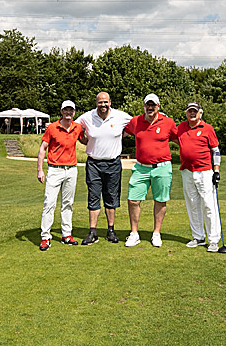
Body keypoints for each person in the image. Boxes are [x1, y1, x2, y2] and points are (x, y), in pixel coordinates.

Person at [76, 92, 132, 245]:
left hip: (113, 163)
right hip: (94, 164)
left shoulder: (120, 116)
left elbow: (136, 124)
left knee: (111, 197)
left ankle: (111, 230)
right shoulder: (87, 117)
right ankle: (92, 231)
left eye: (105, 102)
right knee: (93, 196)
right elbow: (74, 128)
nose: (103, 105)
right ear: (96, 103)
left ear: (110, 102)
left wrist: (121, 135)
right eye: (100, 102)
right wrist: (84, 140)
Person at [123, 93, 177, 247]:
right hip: (141, 167)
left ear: (158, 106)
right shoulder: (136, 121)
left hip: (162, 167)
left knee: (160, 200)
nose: (150, 107)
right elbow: (120, 134)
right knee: (133, 200)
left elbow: (179, 140)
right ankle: (134, 233)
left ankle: (156, 233)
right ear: (144, 106)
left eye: (153, 105)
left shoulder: (168, 122)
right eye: (148, 105)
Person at [37, 100, 86, 251]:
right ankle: (45, 237)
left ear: (74, 112)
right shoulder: (52, 127)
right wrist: (40, 170)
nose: (68, 112)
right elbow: (43, 148)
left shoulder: (77, 127)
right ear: (61, 111)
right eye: (66, 110)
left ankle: (66, 235)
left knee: (68, 203)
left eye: (71, 110)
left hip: (71, 170)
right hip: (54, 170)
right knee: (49, 203)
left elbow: (85, 140)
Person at [176, 102, 222, 252]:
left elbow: (215, 151)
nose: (192, 114)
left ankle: (213, 240)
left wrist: (216, 170)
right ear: (186, 113)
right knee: (192, 204)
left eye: (194, 111)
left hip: (205, 171)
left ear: (200, 113)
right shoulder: (181, 127)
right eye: (189, 111)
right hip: (187, 171)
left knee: (208, 205)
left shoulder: (207, 128)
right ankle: (198, 237)